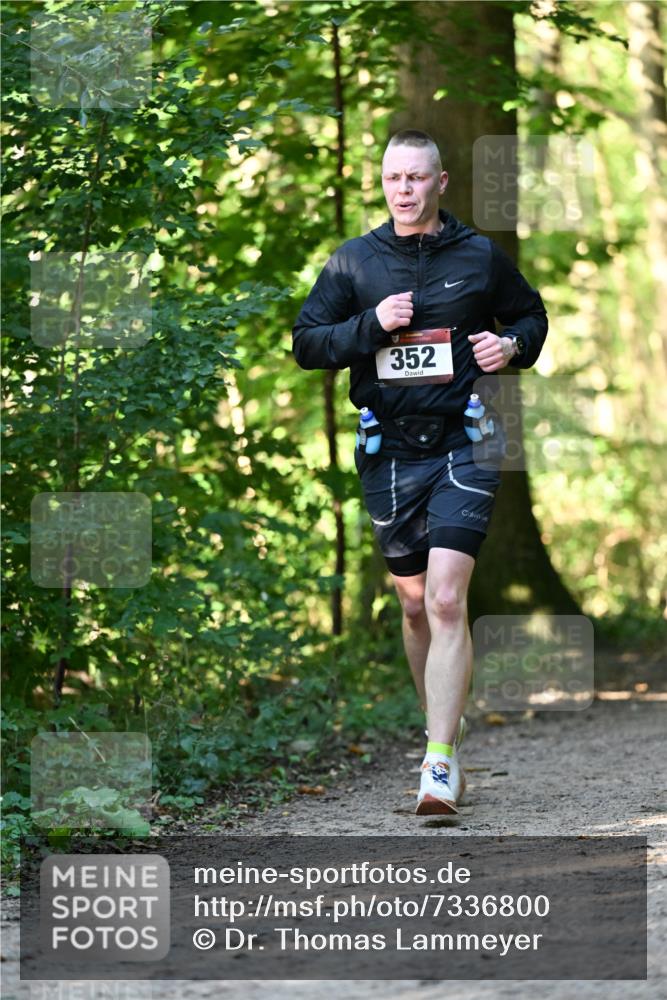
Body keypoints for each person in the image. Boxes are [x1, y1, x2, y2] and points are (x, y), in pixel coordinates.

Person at [292, 129, 548, 816]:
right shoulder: (351, 265)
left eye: (414, 179)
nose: (402, 190)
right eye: (391, 180)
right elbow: (306, 344)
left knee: (443, 599)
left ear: (439, 183)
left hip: (467, 441)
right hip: (388, 449)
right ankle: (445, 732)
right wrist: (368, 326)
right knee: (412, 604)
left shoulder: (477, 256)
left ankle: (436, 765)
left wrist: (512, 345)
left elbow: (529, 314)